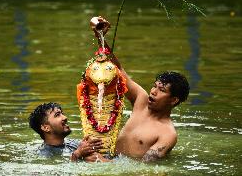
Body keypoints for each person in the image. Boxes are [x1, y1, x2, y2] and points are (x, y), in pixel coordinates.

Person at [91, 16, 190, 162]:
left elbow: (144, 169)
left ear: (174, 100)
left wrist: (102, 162)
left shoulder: (167, 134)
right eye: (154, 86)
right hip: (109, 159)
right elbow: (118, 70)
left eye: (161, 90)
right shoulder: (141, 100)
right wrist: (101, 36)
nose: (153, 91)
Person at [28, 102, 107, 162]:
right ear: (46, 128)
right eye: (57, 115)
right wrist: (77, 155)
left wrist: (90, 146)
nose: (65, 117)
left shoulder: (73, 143)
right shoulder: (43, 155)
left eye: (62, 113)